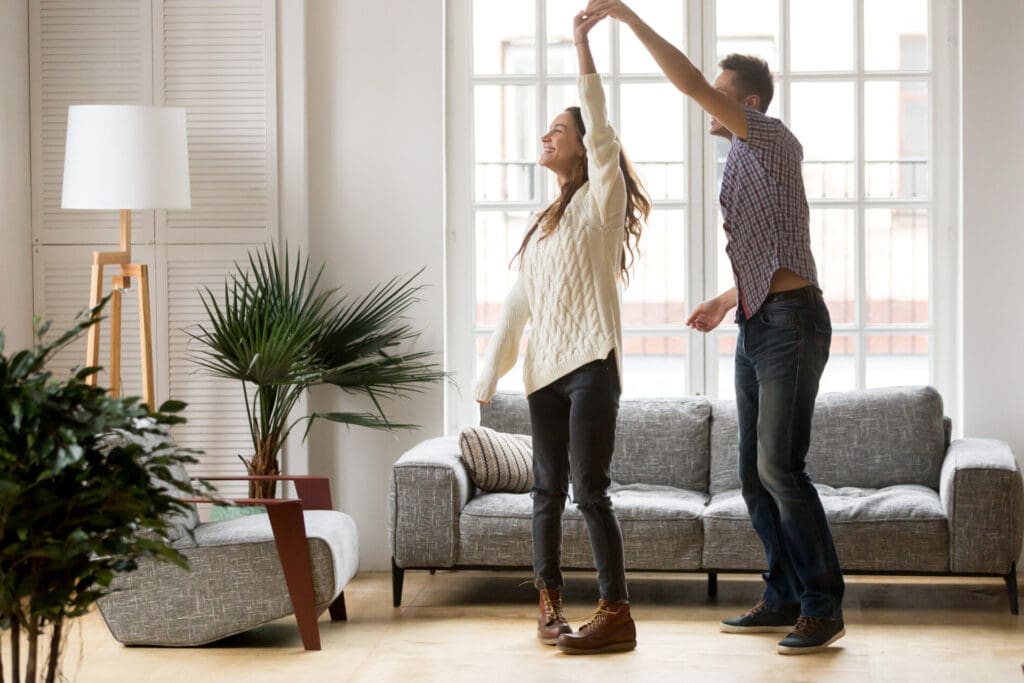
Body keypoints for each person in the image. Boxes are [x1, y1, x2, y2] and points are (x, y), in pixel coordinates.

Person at [587, 0, 845, 655]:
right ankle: (784, 592)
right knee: (754, 476)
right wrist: (730, 298)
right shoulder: (740, 161)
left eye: (723, 94)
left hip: (793, 324)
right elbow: (780, 250)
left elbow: (691, 83)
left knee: (780, 467)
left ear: (749, 102)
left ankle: (822, 604)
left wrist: (627, 17)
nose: (709, 103)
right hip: (760, 323)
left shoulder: (774, 138)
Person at [473, 9, 651, 656]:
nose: (547, 137)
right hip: (542, 374)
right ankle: (548, 606)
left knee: (589, 490)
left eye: (558, 130)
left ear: (582, 145)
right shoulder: (545, 224)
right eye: (546, 130)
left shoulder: (601, 205)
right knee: (544, 492)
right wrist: (489, 371)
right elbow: (518, 304)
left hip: (590, 365)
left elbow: (603, 132)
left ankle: (616, 610)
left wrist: (581, 45)